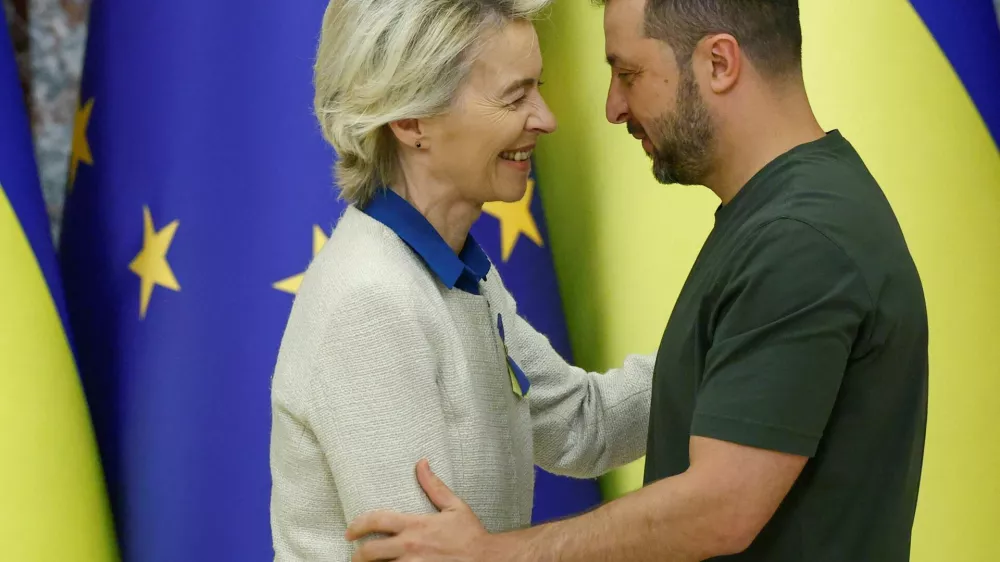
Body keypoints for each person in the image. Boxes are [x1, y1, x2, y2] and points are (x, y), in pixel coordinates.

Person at [346, 0, 930, 560]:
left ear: (719, 63)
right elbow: (577, 420)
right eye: (514, 95)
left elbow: (717, 507)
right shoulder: (378, 291)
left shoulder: (798, 237)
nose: (610, 108)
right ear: (411, 120)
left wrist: (497, 556)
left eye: (628, 73)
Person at [268, 0, 655, 559]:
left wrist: (735, 341)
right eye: (515, 96)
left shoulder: (456, 274)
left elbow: (581, 425)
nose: (546, 118)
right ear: (409, 120)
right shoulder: (372, 302)